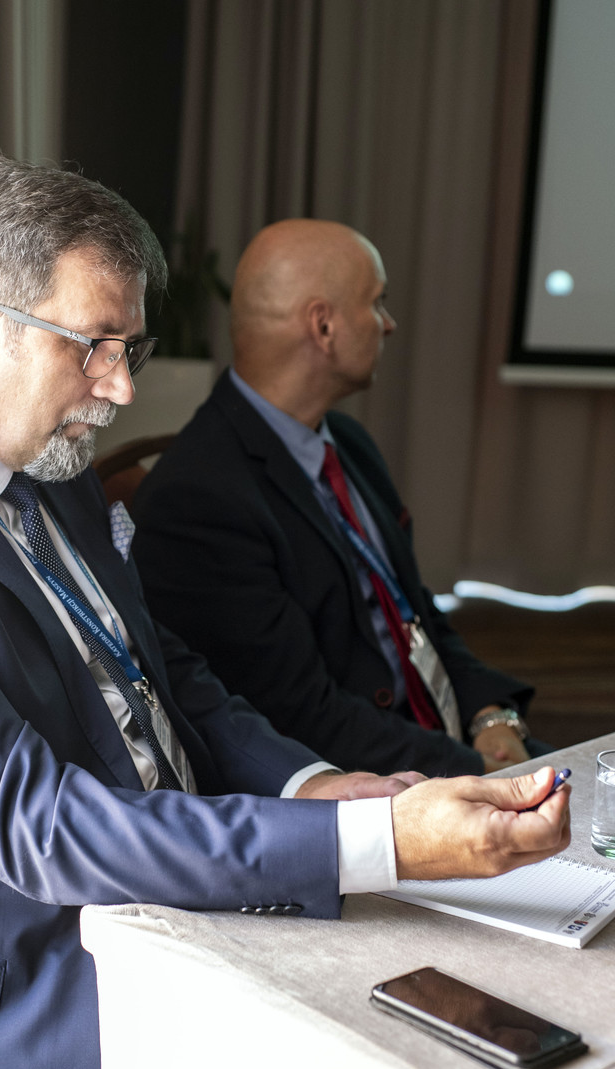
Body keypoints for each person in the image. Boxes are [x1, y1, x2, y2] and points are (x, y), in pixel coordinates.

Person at [0, 158, 569, 1069]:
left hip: (177, 900)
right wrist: (377, 840)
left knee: (464, 1067)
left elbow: (162, 668)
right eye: (94, 346)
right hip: (12, 1013)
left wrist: (313, 786)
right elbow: (37, 827)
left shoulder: (37, 447)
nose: (121, 388)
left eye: (129, 350)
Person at [133, 219, 543, 777]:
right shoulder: (198, 499)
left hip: (442, 740)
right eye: (377, 303)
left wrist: (491, 716)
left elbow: (416, 610)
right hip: (366, 784)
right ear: (323, 326)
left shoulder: (348, 443)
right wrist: (476, 768)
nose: (388, 323)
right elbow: (301, 717)